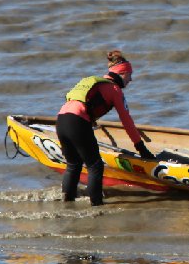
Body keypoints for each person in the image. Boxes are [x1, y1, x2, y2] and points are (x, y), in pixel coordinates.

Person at [57, 50, 153, 206]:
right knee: (95, 165)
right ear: (122, 73)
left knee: (73, 165)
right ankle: (96, 205)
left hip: (61, 120)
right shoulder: (114, 89)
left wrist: (89, 120)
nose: (131, 79)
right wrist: (141, 147)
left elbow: (79, 104)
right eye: (129, 75)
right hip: (77, 122)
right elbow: (126, 121)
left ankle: (67, 203)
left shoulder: (94, 82)